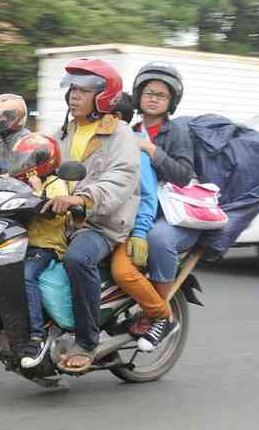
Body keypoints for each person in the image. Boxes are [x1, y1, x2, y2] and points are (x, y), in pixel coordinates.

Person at [43, 58, 141, 373]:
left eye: (83, 90)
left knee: (77, 259)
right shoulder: (61, 131)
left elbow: (120, 180)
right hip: (61, 220)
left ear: (103, 96)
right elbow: (36, 160)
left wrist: (83, 198)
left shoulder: (120, 134)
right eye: (72, 89)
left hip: (101, 224)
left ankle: (87, 340)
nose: (74, 95)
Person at [125, 62, 199, 350]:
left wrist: (152, 151)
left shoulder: (176, 133)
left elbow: (183, 175)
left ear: (171, 102)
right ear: (138, 95)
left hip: (168, 214)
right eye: (149, 92)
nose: (153, 98)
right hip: (133, 209)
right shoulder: (129, 129)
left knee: (158, 239)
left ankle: (160, 315)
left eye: (161, 95)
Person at [109, 93, 173, 351]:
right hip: (93, 225)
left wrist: (140, 232)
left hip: (126, 228)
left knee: (122, 272)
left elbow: (147, 197)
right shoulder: (82, 140)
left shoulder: (135, 147)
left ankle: (161, 314)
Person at [7, 132, 68, 368]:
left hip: (46, 246)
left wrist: (36, 190)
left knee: (26, 276)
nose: (23, 166)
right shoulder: (20, 182)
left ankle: (36, 335)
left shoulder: (56, 184)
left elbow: (52, 208)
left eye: (28, 161)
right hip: (20, 243)